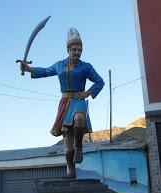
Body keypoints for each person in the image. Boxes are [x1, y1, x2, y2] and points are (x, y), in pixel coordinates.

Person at [20, 27, 104, 179]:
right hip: (65, 103)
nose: (77, 52)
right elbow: (45, 71)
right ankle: (70, 170)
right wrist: (29, 68)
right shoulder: (59, 65)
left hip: (78, 100)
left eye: (80, 50)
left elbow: (100, 82)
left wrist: (88, 93)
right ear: (68, 49)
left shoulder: (86, 67)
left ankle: (80, 148)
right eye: (74, 49)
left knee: (79, 118)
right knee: (67, 145)